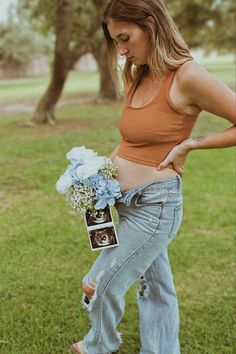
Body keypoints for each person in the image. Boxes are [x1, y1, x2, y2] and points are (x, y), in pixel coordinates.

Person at [71, 0, 236, 353]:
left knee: (99, 284)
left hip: (155, 206)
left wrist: (191, 144)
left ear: (150, 24)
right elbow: (130, 140)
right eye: (116, 41)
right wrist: (97, 175)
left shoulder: (188, 76)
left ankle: (99, 345)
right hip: (122, 203)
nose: (122, 49)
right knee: (156, 287)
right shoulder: (137, 71)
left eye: (126, 38)